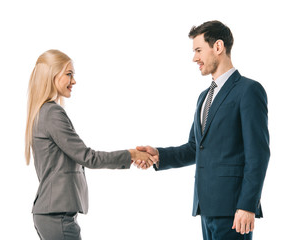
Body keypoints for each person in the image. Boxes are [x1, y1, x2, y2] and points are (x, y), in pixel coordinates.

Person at [136, 20, 270, 240]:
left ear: (218, 47)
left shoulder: (249, 91)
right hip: (205, 206)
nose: (194, 58)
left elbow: (259, 153)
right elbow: (194, 148)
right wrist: (159, 155)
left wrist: (248, 205)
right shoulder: (203, 97)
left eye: (198, 50)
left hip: (234, 209)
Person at [25, 49, 154, 240]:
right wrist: (132, 154)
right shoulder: (52, 113)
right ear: (52, 75)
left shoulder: (44, 112)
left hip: (54, 213)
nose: (74, 81)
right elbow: (88, 158)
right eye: (69, 74)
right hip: (56, 215)